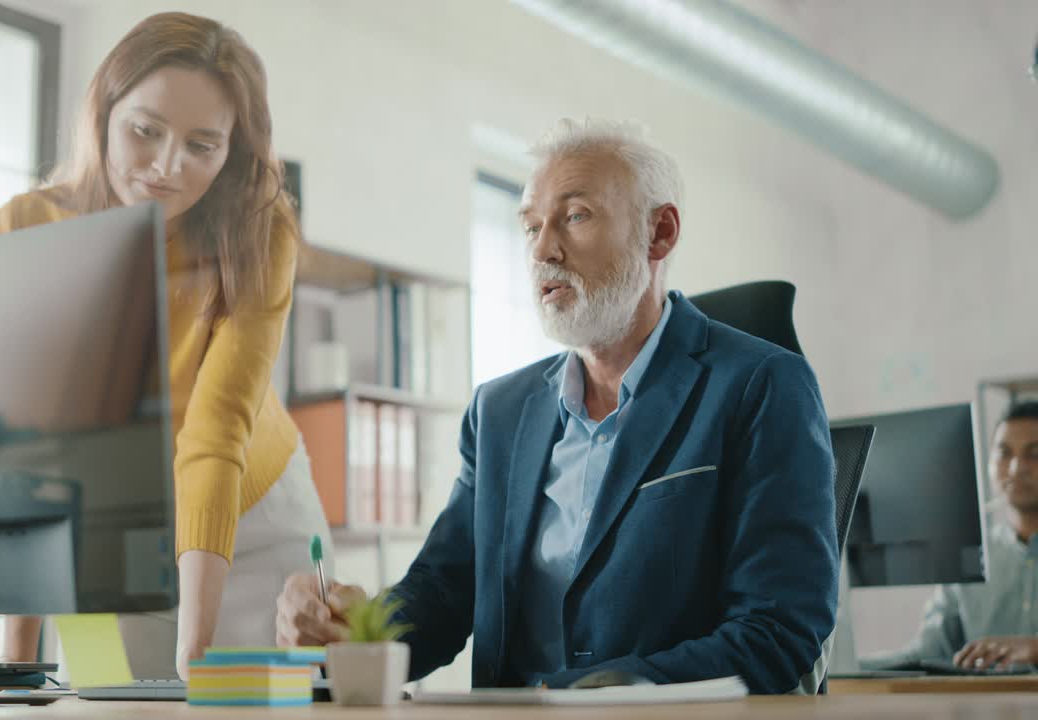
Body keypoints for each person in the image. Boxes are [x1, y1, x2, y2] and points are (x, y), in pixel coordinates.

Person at [276, 119, 837, 694]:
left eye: (575, 216)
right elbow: (443, 591)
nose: (544, 249)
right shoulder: (498, 412)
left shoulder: (762, 386)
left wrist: (614, 691)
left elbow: (780, 626)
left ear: (659, 234)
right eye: (530, 226)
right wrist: (352, 629)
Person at [0, 12, 332, 681]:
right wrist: (15, 655)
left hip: (254, 517)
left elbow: (216, 429)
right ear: (103, 110)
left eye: (203, 145)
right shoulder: (22, 227)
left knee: (247, 703)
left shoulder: (260, 232)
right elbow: (24, 446)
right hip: (97, 533)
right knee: (103, 695)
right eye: (145, 131)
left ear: (233, 149)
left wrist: (195, 652)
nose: (166, 167)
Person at [861, 401, 1038, 671]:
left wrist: (1033, 648)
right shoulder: (975, 554)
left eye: (1034, 453)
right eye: (1004, 453)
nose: (1015, 468)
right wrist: (850, 665)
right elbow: (930, 650)